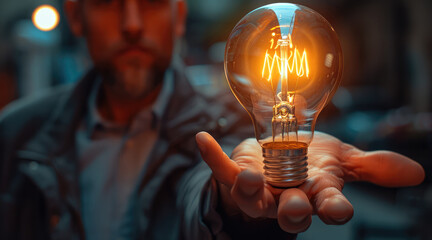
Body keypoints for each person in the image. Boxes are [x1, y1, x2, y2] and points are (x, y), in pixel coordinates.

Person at [0, 0, 425, 239]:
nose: (131, 25)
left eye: (150, 3)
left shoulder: (228, 126)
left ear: (179, 15)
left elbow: (205, 184)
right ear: (75, 16)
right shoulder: (15, 133)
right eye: (108, 3)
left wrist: (231, 201)